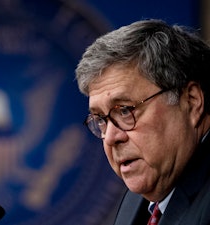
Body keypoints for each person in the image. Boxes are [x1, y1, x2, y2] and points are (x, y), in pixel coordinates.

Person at [75, 19, 210, 225]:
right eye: (101, 119)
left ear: (191, 101)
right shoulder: (138, 198)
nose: (110, 137)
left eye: (125, 111)